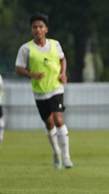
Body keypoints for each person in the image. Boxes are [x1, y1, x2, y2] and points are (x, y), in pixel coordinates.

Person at [15, 13, 73, 170]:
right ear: (31, 30)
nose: (38, 29)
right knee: (49, 123)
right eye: (35, 27)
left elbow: (62, 58)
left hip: (56, 87)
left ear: (46, 29)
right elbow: (18, 69)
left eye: (41, 26)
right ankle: (56, 152)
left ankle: (66, 156)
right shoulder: (26, 49)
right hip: (40, 91)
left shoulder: (55, 44)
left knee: (58, 118)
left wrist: (63, 73)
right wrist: (32, 74)